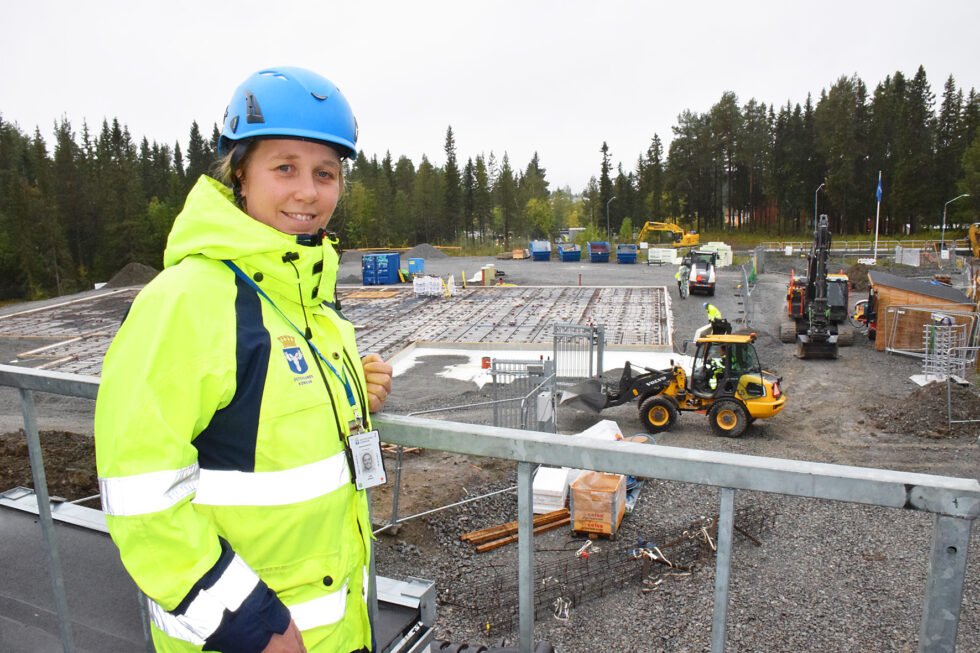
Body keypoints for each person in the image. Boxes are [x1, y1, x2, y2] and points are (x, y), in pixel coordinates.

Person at [95, 66, 392, 653]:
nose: (308, 192)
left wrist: (354, 392)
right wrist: (251, 627)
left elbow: (273, 426)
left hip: (336, 632)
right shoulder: (187, 302)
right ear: (240, 175)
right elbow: (141, 497)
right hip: (245, 637)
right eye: (284, 168)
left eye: (325, 173)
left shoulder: (312, 304)